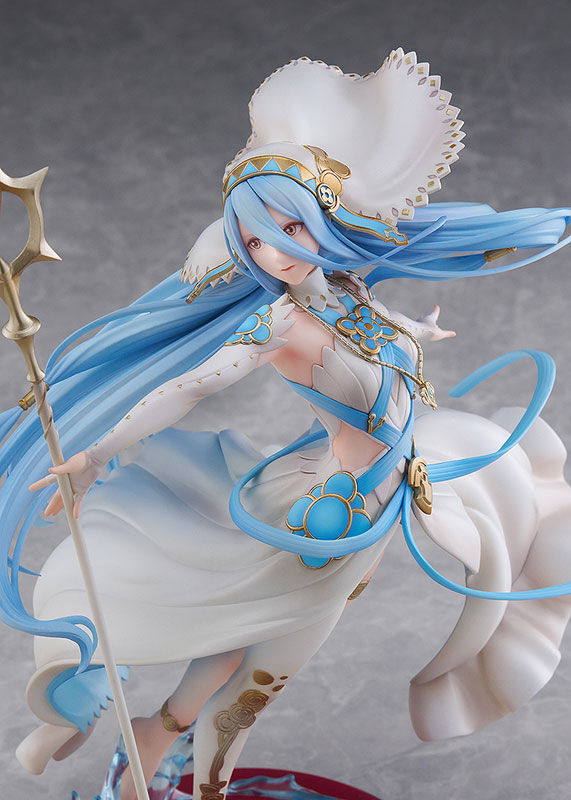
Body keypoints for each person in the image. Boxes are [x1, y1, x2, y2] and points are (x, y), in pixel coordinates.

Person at [1, 48, 570, 800]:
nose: (274, 253)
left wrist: (417, 330)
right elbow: (189, 386)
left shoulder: (343, 287)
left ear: (325, 223)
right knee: (261, 673)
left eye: (291, 228)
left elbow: (378, 334)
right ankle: (190, 771)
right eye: (255, 241)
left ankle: (160, 739)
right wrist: (96, 450)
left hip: (376, 490)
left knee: (245, 642)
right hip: (336, 514)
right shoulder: (276, 323)